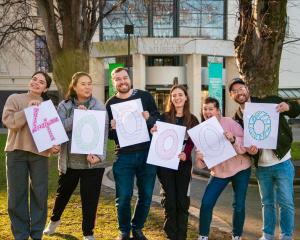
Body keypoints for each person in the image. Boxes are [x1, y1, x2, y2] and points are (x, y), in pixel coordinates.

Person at [229, 77, 300, 240]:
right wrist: (252, 152)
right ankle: (267, 235)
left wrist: (287, 106)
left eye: (241, 88)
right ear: (232, 96)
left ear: (247, 89)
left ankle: (286, 236)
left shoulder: (270, 102)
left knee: (286, 202)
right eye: (234, 91)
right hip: (262, 166)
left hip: (282, 162)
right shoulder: (237, 119)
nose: (239, 92)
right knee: (267, 203)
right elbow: (243, 146)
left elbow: (296, 109)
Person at [43, 72, 108, 240]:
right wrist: (77, 117)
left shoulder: (99, 106)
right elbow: (58, 127)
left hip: (92, 164)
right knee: (62, 195)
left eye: (89, 83)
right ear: (74, 87)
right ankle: (54, 221)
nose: (87, 87)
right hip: (70, 163)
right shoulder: (64, 106)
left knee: (90, 200)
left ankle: (88, 233)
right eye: (83, 84)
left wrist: (99, 156)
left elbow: (103, 133)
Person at [2, 71, 59, 240]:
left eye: (41, 82)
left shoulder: (48, 107)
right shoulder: (15, 99)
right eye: (34, 79)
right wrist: (29, 110)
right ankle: (20, 234)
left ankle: (36, 234)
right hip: (16, 152)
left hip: (39, 155)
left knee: (39, 195)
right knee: (16, 195)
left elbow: (52, 134)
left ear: (46, 88)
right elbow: (10, 122)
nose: (36, 83)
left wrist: (54, 147)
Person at [105, 67, 159, 240]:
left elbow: (157, 121)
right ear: (114, 83)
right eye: (118, 79)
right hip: (124, 155)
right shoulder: (110, 104)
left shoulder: (144, 96)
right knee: (124, 196)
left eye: (125, 78)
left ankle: (137, 228)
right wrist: (111, 128)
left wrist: (148, 118)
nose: (122, 82)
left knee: (146, 195)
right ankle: (124, 230)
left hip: (147, 153)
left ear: (130, 79)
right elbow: (110, 135)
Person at [196, 97, 257, 240]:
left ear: (218, 111)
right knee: (206, 203)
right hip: (219, 171)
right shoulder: (201, 130)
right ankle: (203, 236)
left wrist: (234, 138)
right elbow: (200, 165)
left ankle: (237, 235)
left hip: (241, 167)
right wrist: (200, 157)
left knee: (239, 204)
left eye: (211, 109)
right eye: (205, 109)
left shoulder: (229, 122)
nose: (208, 112)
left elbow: (247, 140)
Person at [150, 85, 199, 240]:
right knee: (170, 201)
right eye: (174, 95)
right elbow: (158, 139)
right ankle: (171, 235)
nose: (177, 98)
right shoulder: (163, 118)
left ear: (186, 97)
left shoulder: (192, 119)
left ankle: (181, 235)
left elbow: (193, 141)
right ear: (171, 99)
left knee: (182, 201)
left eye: (180, 95)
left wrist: (186, 152)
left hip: (183, 166)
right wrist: (154, 132)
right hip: (165, 166)